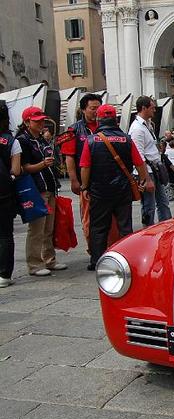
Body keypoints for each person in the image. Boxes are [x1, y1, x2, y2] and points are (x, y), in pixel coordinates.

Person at [79, 105, 150, 271]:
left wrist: (85, 186)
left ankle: (97, 260)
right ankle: (126, 258)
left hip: (99, 191)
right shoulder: (127, 139)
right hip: (123, 190)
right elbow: (139, 163)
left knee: (98, 227)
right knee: (124, 226)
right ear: (116, 120)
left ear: (99, 120)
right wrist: (144, 180)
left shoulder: (91, 141)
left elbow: (85, 167)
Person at [61, 93, 118, 250]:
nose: (96, 111)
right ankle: (94, 250)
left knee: (112, 220)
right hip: (87, 183)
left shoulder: (109, 127)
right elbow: (69, 157)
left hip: (110, 182)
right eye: (93, 108)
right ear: (83, 109)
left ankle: (112, 249)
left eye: (98, 108)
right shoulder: (74, 130)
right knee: (89, 218)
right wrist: (74, 180)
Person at [17, 106, 67, 276]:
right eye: (36, 121)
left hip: (50, 186)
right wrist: (42, 164)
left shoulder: (41, 139)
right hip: (36, 188)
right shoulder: (22, 140)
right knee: (37, 229)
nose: (41, 123)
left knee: (48, 228)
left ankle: (49, 259)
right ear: (27, 122)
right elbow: (23, 168)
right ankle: (34, 264)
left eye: (42, 120)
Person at [129, 96, 172, 225]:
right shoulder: (137, 129)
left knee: (163, 203)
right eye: (152, 108)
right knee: (149, 206)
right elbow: (138, 156)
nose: (154, 110)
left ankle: (166, 227)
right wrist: (146, 179)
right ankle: (148, 231)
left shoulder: (148, 125)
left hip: (155, 169)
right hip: (147, 172)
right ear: (143, 108)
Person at [0, 100, 21, 287]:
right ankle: (5, 274)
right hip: (4, 194)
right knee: (6, 234)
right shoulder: (11, 141)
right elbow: (16, 170)